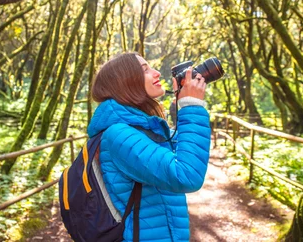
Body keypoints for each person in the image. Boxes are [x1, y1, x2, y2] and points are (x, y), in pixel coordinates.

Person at [88, 52, 211, 241]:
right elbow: (186, 174)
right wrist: (191, 106)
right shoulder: (118, 135)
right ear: (125, 82)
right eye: (145, 70)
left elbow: (184, 151)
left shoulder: (142, 128)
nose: (157, 74)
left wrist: (183, 99)